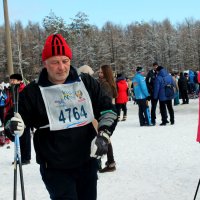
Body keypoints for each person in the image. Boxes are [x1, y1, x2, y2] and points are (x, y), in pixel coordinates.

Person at [5, 34, 117, 200]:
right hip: (56, 167)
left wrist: (104, 135)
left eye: (65, 61)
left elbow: (108, 110)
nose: (61, 67)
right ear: (45, 64)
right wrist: (13, 126)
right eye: (55, 62)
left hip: (87, 161)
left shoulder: (85, 82)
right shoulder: (34, 91)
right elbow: (11, 121)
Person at [6, 74, 32, 165]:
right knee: (17, 137)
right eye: (11, 80)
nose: (12, 81)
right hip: (13, 114)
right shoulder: (11, 89)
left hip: (23, 116)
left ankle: (26, 158)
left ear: (19, 80)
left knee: (25, 138)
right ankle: (19, 157)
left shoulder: (24, 90)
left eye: (14, 80)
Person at [98, 64, 118, 173]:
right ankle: (110, 162)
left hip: (105, 113)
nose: (99, 74)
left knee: (103, 138)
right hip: (106, 113)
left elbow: (103, 100)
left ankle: (109, 162)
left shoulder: (105, 85)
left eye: (101, 72)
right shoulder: (106, 83)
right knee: (105, 138)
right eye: (99, 72)